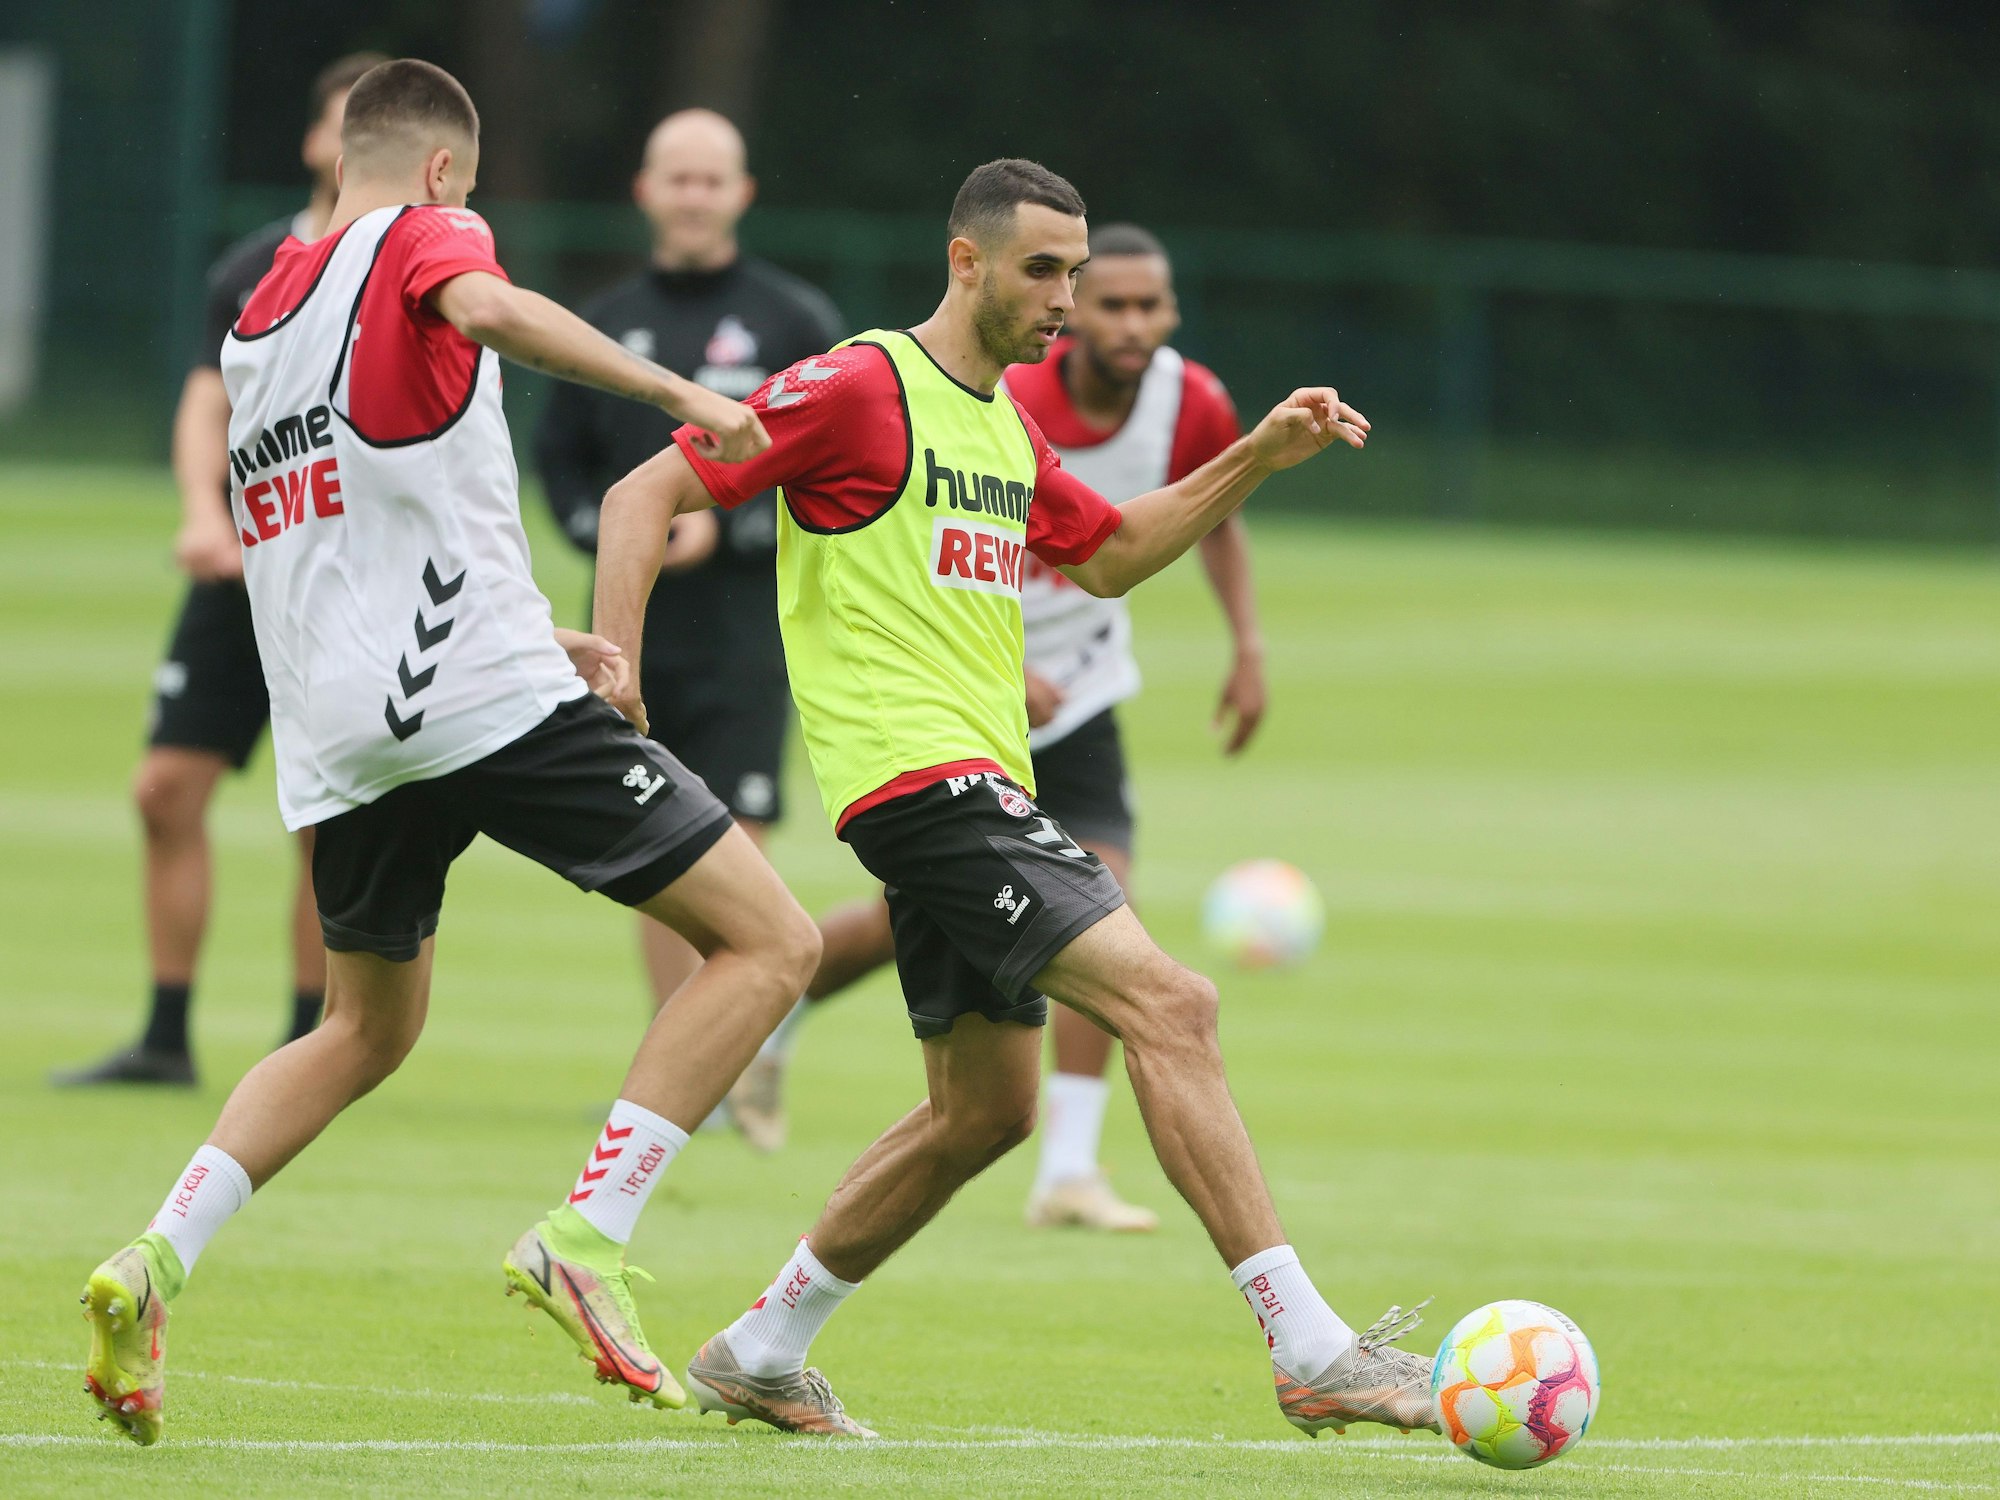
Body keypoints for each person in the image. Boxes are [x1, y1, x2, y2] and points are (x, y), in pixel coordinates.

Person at [593, 158, 1439, 1440]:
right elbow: (643, 489)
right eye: (1042, 270)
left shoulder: (1002, 424)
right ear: (967, 261)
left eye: (1076, 273)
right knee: (1175, 1002)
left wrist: (1256, 454)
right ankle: (1310, 1345)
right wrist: (615, 664)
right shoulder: (865, 383)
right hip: (920, 784)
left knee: (985, 1109)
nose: (1064, 298)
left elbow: (1104, 557)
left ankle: (760, 1350)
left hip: (975, 778)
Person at [78, 60, 822, 1448]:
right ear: (439, 175)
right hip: (465, 696)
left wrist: (540, 629)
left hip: (347, 727)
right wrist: (690, 398)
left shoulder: (259, 319)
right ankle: (585, 1237)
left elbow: (364, 525)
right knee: (774, 944)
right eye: (465, 199)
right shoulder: (424, 236)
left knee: (364, 1027)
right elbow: (486, 307)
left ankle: (154, 1258)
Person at [793, 223, 1267, 1230]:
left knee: (1098, 912)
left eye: (1143, 302)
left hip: (1079, 693)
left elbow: (1177, 528)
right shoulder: (1001, 389)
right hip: (955, 709)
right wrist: (1010, 666)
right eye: (1102, 300)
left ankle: (1068, 1164)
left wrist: (1247, 643)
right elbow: (921, 558)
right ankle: (769, 999)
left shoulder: (1193, 401)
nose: (1124, 320)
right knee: (1065, 954)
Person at [53, 53, 386, 1088]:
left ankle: (306, 1041)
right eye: (342, 127)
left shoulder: (411, 275)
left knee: (326, 818)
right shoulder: (250, 268)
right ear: (311, 140)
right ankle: (164, 1035)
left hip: (341, 588)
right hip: (240, 577)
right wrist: (206, 515)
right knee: (164, 790)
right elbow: (209, 403)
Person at [534, 110, 841, 1144]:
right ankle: (679, 1084)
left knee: (738, 847)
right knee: (658, 853)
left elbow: (834, 469)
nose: (696, 195)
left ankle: (736, 1067)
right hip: (628, 630)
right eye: (679, 178)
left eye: (714, 180)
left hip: (748, 634)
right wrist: (597, 531)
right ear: (646, 190)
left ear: (741, 193)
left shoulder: (795, 317)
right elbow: (564, 465)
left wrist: (734, 532)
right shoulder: (602, 318)